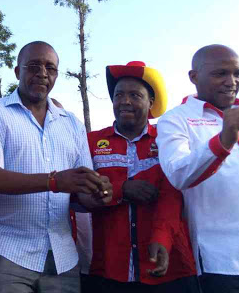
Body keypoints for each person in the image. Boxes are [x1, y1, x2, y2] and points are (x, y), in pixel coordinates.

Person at [0, 41, 112, 293]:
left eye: (50, 68)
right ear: (17, 72)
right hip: (6, 252)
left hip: (62, 258)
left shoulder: (72, 124)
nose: (43, 73)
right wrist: (54, 181)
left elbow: (80, 190)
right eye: (34, 66)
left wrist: (96, 194)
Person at [85, 61, 198, 293]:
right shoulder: (91, 142)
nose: (125, 101)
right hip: (109, 270)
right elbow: (79, 193)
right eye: (119, 95)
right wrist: (122, 190)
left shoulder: (169, 139)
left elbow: (175, 195)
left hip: (169, 265)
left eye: (135, 95)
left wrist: (162, 237)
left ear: (151, 103)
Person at [156, 45, 239, 293]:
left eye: (237, 73)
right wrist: (224, 140)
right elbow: (179, 174)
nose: (232, 82)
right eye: (220, 73)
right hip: (224, 263)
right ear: (194, 77)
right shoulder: (175, 119)